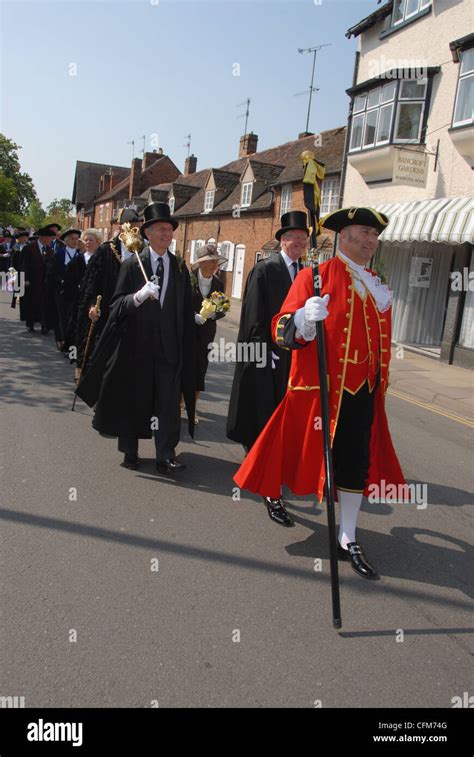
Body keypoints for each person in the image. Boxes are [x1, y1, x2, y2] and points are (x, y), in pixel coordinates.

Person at [234, 207, 406, 580]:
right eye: (364, 233)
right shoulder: (315, 278)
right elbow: (279, 328)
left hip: (364, 391)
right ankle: (274, 494)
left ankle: (347, 536)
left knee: (355, 462)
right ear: (343, 236)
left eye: (375, 236)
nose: (371, 241)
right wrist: (301, 320)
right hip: (320, 392)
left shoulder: (377, 283)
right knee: (297, 450)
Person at [75, 202, 196, 474]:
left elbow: (185, 309)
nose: (167, 234)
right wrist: (137, 297)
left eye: (170, 229)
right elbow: (116, 305)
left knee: (167, 403)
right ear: (148, 233)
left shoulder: (178, 267)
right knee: (134, 398)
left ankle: (166, 454)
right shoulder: (132, 265)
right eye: (161, 229)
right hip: (136, 346)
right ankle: (130, 451)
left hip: (169, 348)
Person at [226, 210, 309, 527]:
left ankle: (275, 465)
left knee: (285, 420)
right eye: (293, 238)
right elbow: (253, 317)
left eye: (303, 239)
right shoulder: (265, 270)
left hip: (295, 360)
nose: (298, 243)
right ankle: (267, 482)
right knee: (264, 417)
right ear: (282, 240)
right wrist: (263, 353)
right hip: (267, 357)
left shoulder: (307, 272)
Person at [74, 209, 143, 376]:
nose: (136, 232)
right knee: (101, 347)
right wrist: (92, 304)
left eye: (138, 228)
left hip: (133, 308)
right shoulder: (106, 250)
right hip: (107, 307)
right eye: (132, 227)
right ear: (121, 228)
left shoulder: (142, 250)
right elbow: (91, 281)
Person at [190, 244, 228, 422]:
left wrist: (215, 313)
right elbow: (178, 303)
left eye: (216, 262)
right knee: (183, 367)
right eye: (211, 261)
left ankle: (193, 407)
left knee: (200, 369)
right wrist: (192, 315)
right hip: (186, 332)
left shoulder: (218, 282)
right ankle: (177, 402)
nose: (215, 265)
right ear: (201, 264)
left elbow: (222, 308)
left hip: (206, 333)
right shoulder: (188, 279)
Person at [63, 228, 102, 377]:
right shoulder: (78, 259)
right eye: (85, 240)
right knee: (77, 334)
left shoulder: (101, 260)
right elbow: (69, 281)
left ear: (98, 242)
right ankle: (78, 366)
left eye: (91, 240)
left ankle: (89, 366)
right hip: (79, 303)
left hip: (93, 303)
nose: (87, 242)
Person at [49, 228, 84, 350]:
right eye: (72, 239)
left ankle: (70, 341)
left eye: (76, 239)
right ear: (66, 240)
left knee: (72, 316)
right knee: (61, 315)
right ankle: (60, 338)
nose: (75, 241)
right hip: (61, 290)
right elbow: (52, 272)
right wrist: (60, 280)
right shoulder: (58, 254)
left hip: (75, 291)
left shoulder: (81, 254)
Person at [19, 227, 56, 334]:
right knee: (31, 303)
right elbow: (24, 265)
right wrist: (25, 279)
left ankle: (44, 325)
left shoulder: (49, 250)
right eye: (50, 238)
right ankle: (30, 324)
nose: (51, 240)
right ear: (43, 238)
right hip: (32, 281)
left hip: (44, 282)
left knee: (44, 303)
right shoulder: (29, 248)